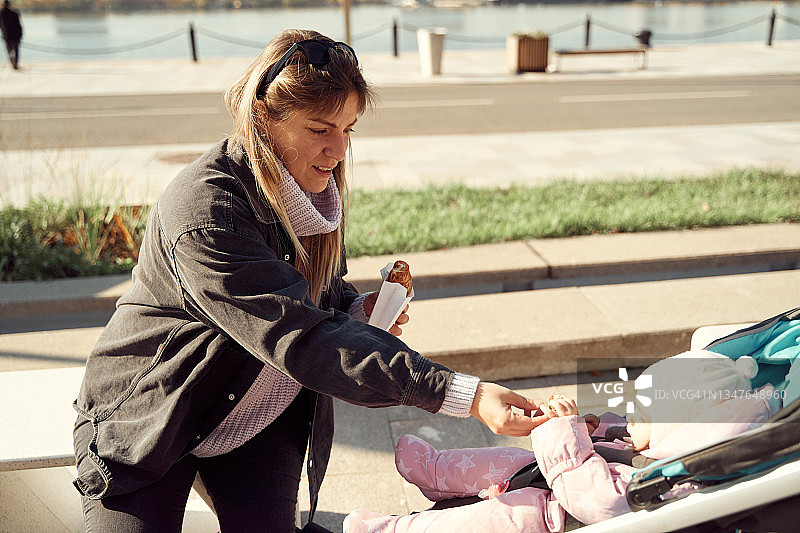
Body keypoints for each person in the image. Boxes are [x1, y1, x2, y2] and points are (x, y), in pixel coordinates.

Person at [72, 29, 545, 532]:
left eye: (348, 129)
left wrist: (356, 309)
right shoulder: (209, 212)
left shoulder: (312, 193)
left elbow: (317, 298)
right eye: (320, 128)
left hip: (254, 415)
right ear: (263, 119)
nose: (338, 150)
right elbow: (302, 334)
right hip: (150, 416)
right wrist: (464, 395)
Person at [344, 350, 782, 533]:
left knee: (486, 520)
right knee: (508, 460)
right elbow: (608, 444)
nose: (633, 415)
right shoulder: (651, 443)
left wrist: (561, 431)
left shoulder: (663, 479)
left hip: (550, 516)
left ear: (680, 433)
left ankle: (394, 530)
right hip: (549, 478)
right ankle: (439, 471)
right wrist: (587, 426)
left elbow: (597, 500)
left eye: (645, 413)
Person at [0, 0, 21, 70]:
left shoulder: (1, 13)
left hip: (7, 36)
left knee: (9, 50)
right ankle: (15, 63)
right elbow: (19, 26)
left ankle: (13, 62)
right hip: (16, 35)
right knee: (16, 50)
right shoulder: (15, 13)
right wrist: (20, 34)